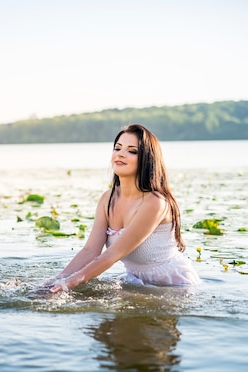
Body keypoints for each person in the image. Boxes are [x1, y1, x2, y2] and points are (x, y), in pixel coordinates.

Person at [45, 123, 200, 293]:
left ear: (147, 159)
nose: (120, 154)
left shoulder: (155, 202)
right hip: (136, 282)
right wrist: (56, 280)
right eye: (117, 148)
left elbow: (113, 254)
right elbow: (90, 251)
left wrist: (68, 284)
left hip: (173, 286)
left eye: (132, 151)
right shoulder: (107, 199)